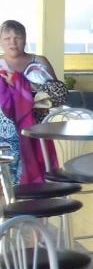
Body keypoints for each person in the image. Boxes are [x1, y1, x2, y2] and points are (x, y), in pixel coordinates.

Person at [0, 20, 62, 183]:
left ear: (25, 39)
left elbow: (59, 95)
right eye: (7, 38)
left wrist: (20, 83)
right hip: (6, 133)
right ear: (0, 42)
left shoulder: (39, 62)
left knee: (41, 175)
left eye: (18, 37)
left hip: (37, 127)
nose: (13, 42)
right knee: (8, 180)